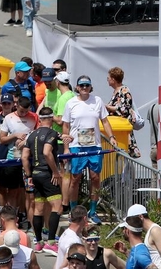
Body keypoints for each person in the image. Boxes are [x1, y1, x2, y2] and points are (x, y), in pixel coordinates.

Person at [62, 76, 114, 224]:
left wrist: (111, 137)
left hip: (94, 145)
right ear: (77, 87)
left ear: (90, 87)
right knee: (75, 179)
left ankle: (92, 210)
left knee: (95, 177)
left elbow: (105, 121)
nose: (84, 87)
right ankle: (74, 210)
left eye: (87, 85)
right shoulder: (70, 103)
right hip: (76, 145)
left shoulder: (97, 101)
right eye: (82, 85)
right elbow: (65, 125)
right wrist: (66, 147)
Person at [23, 106, 63, 253]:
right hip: (47, 174)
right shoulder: (51, 133)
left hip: (35, 174)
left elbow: (24, 157)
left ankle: (39, 242)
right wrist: (55, 172)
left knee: (38, 209)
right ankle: (51, 242)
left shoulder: (31, 134)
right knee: (57, 207)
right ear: (51, 119)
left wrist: (29, 176)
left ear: (40, 119)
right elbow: (47, 152)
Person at [105, 67, 141, 158]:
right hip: (117, 128)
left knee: (125, 155)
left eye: (108, 78)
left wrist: (107, 107)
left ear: (113, 79)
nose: (107, 80)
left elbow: (124, 109)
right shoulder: (116, 91)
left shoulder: (124, 90)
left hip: (123, 129)